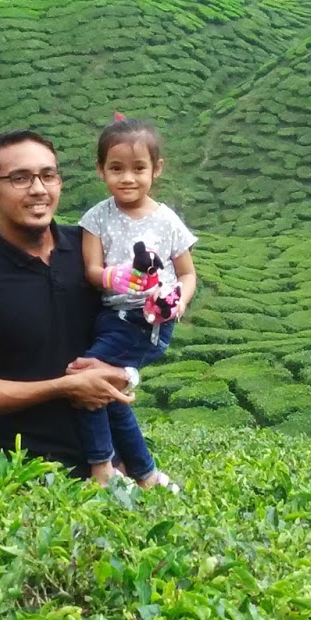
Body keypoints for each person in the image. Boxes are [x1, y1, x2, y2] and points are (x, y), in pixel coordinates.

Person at [0, 129, 136, 474]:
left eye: (48, 175)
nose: (38, 189)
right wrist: (65, 387)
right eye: (20, 178)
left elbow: (135, 328)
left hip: (119, 465)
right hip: (27, 474)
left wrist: (126, 375)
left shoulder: (91, 251)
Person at [76, 115, 197, 489]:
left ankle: (102, 469)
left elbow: (188, 274)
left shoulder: (167, 221)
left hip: (146, 322)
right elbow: (92, 270)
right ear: (101, 170)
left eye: (138, 168)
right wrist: (114, 277)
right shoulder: (96, 218)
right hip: (111, 316)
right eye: (116, 168)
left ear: (156, 169)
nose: (127, 178)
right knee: (111, 395)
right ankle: (145, 474)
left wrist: (178, 301)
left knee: (88, 378)